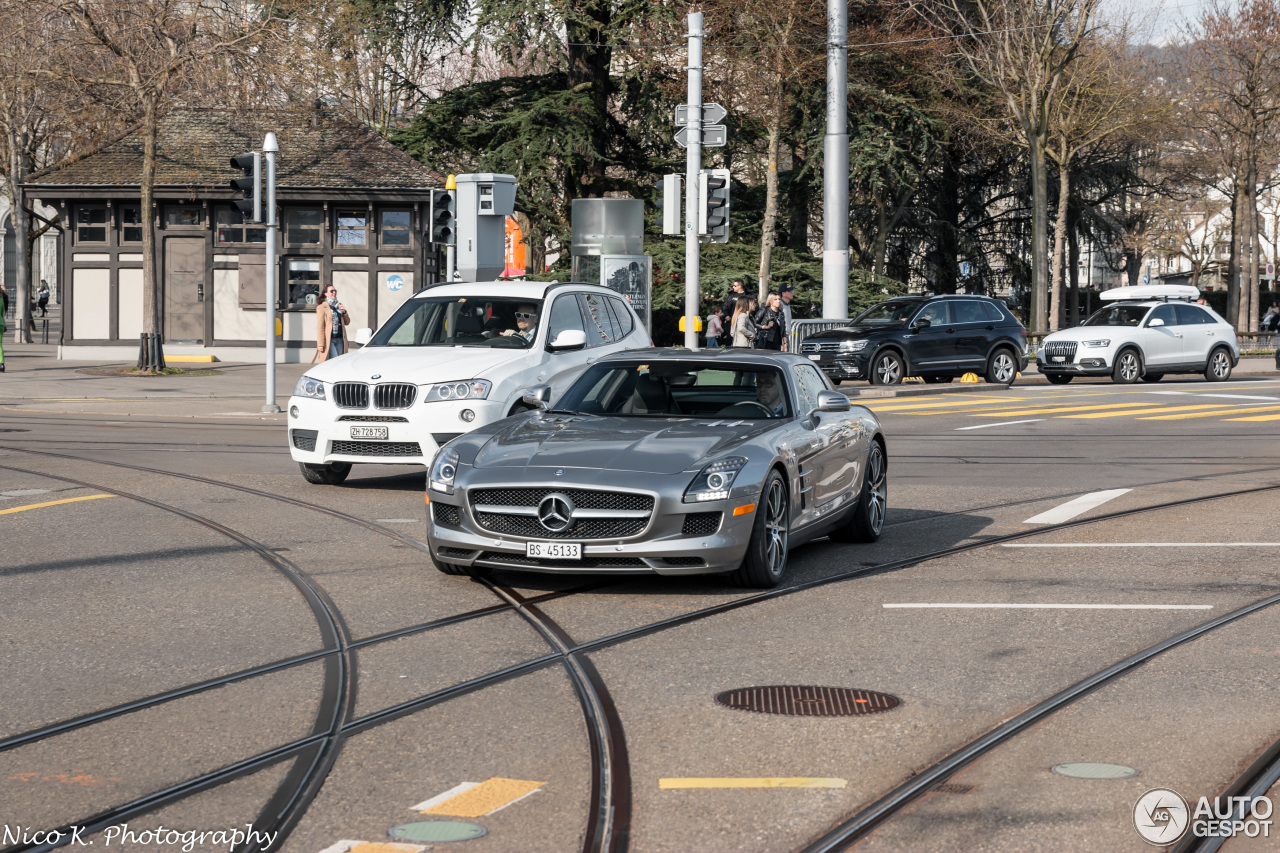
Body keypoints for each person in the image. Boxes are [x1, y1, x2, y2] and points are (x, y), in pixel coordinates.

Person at [315, 284, 350, 362]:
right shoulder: (321, 307)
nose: (334, 292)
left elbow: (347, 322)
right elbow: (320, 326)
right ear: (326, 293)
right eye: (331, 291)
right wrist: (320, 344)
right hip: (329, 340)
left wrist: (344, 312)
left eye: (335, 291)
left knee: (340, 362)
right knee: (334, 360)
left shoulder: (339, 306)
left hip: (340, 339)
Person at [778, 284, 796, 351]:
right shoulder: (780, 305)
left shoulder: (787, 305)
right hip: (782, 336)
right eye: (790, 291)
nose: (792, 293)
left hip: (787, 335)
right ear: (783, 293)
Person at [0, 286, 7, 372]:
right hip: (1, 324)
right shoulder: (1, 299)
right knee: (0, 345)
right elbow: (3, 313)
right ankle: (1, 364)